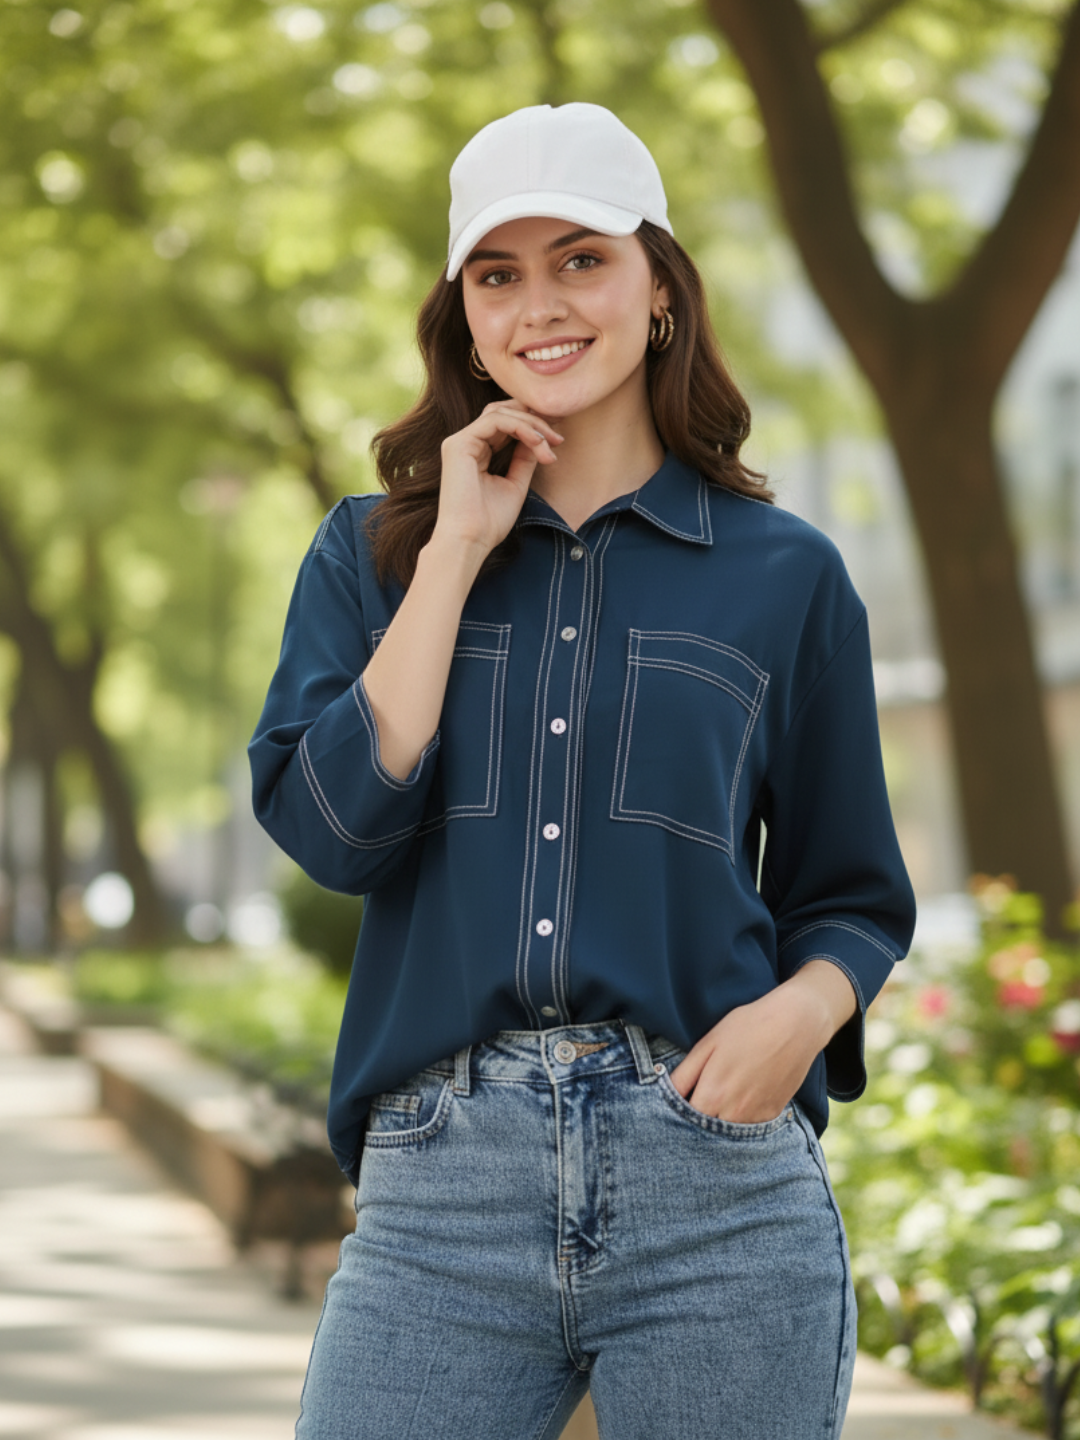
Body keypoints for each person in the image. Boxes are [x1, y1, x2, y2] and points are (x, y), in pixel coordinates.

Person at [249, 101, 916, 1440]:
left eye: (581, 259)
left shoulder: (786, 576)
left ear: (659, 290)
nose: (539, 306)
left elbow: (854, 894)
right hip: (443, 1192)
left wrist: (799, 1021)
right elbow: (330, 830)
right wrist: (452, 555)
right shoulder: (371, 555)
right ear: (463, 315)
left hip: (715, 1188)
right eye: (498, 274)